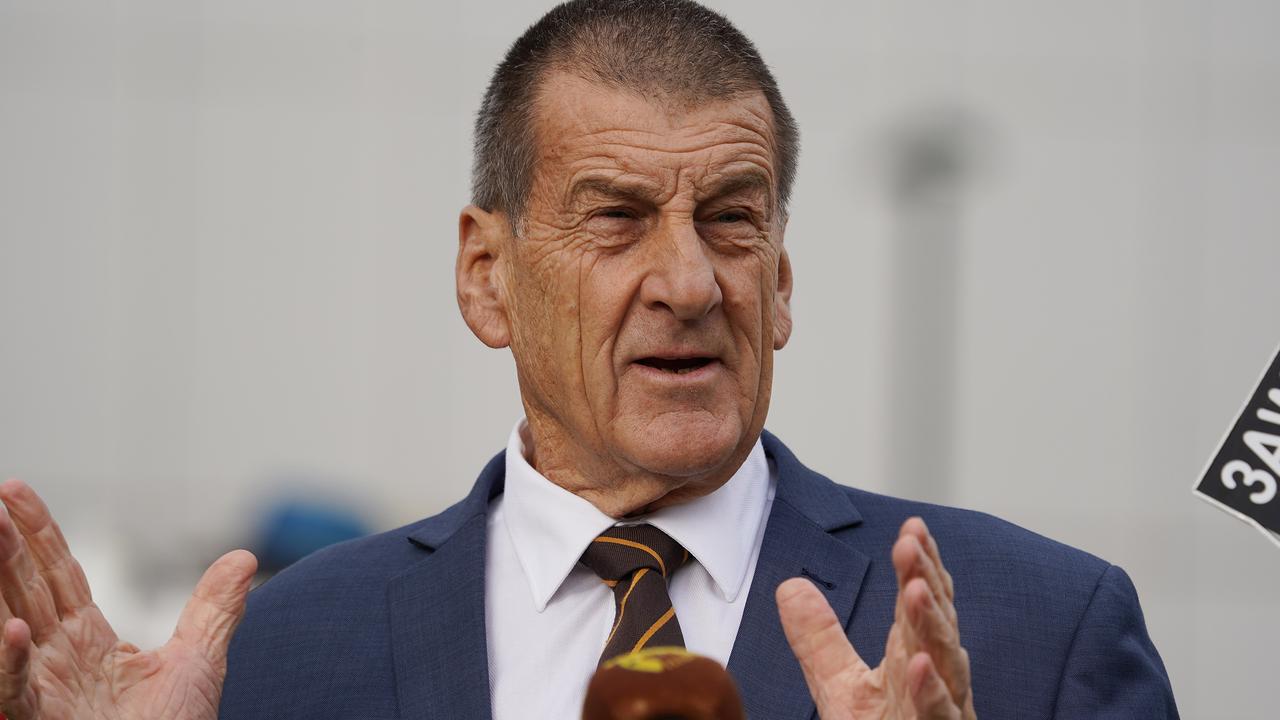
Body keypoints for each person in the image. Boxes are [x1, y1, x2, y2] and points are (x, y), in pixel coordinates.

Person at [0, 1, 1178, 718]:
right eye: (615, 216)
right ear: (487, 277)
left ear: (778, 285)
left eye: (731, 216)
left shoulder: (1039, 632)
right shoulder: (284, 656)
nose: (688, 282)